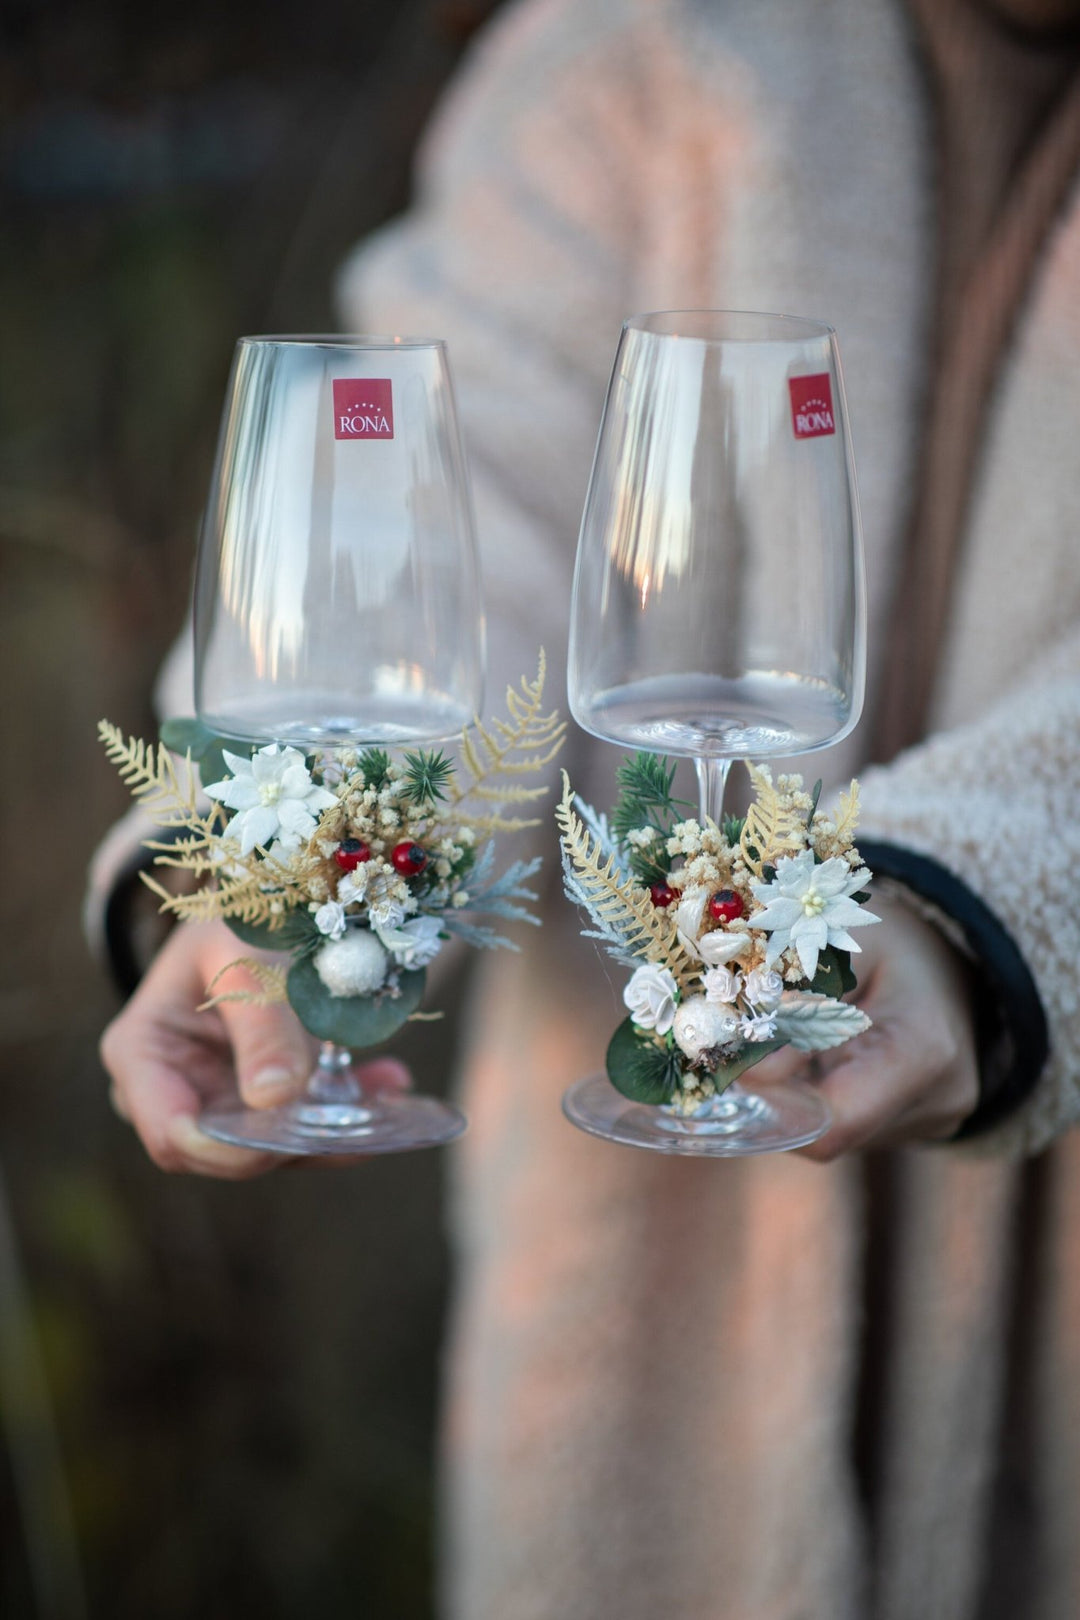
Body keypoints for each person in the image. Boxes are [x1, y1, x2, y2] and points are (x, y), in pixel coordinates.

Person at [93, 0, 1080, 1614]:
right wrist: (283, 878)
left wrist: (966, 908)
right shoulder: (644, 41)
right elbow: (443, 506)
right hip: (655, 1368)